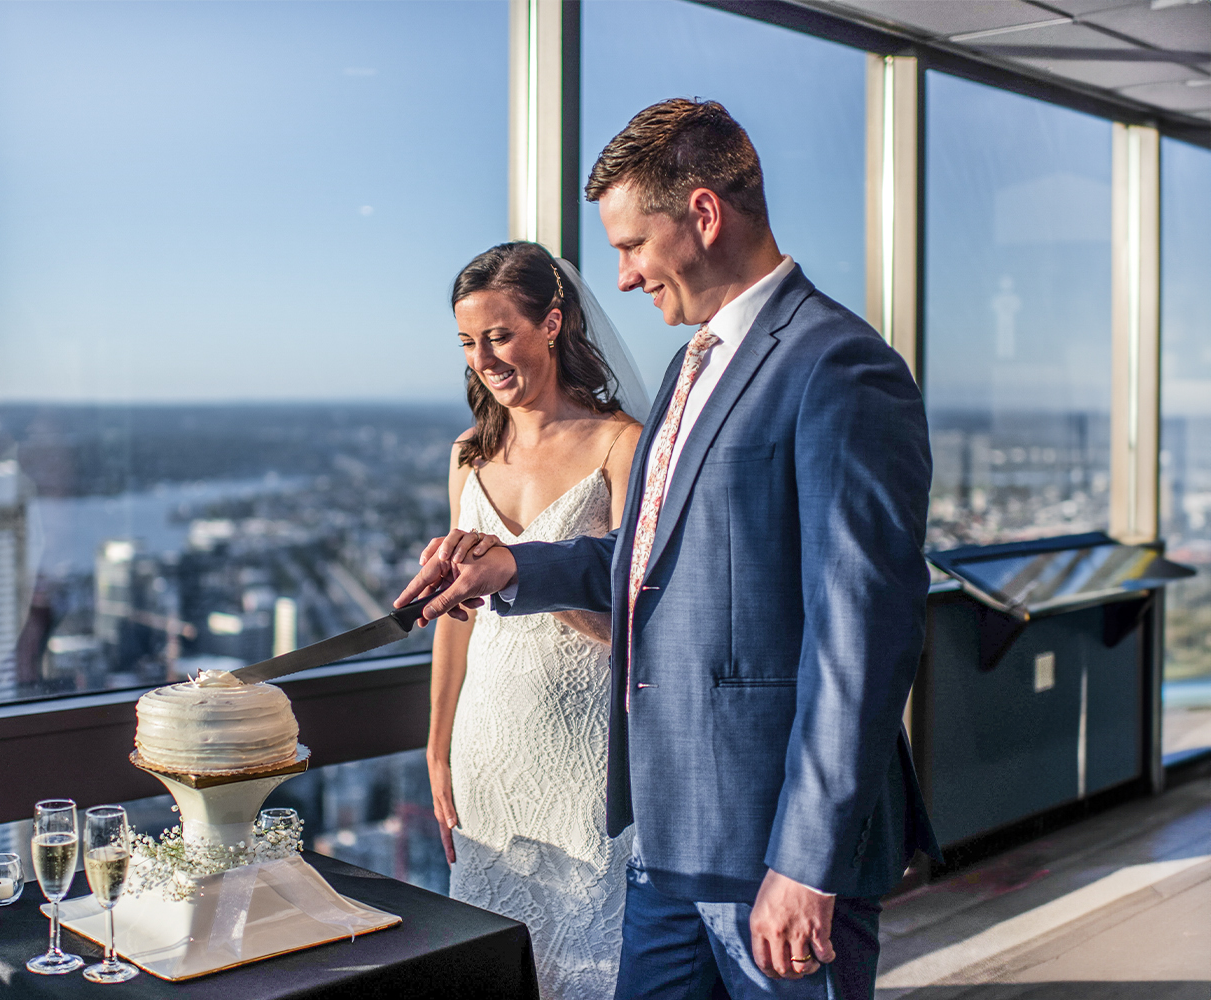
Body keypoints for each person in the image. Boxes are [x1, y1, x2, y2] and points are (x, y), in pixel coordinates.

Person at [400, 100, 940, 999]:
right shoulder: (696, 366)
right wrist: (511, 566)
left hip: (773, 851)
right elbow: (647, 569)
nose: (619, 278)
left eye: (630, 245)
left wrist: (806, 866)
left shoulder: (841, 368)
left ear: (702, 213)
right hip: (667, 836)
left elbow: (864, 641)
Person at [429, 241, 645, 1000]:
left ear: (552, 323)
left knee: (589, 955)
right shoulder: (468, 454)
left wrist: (535, 584)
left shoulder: (621, 444)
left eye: (499, 334)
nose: (482, 358)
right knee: (494, 954)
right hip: (489, 741)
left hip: (585, 742)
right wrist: (439, 746)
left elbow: (641, 625)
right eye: (467, 342)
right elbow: (455, 617)